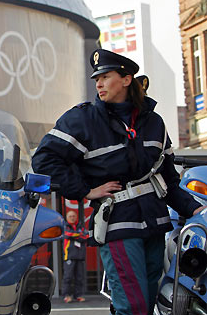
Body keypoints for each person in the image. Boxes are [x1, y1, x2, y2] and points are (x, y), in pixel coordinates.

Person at [32, 49, 205, 315]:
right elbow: (44, 159)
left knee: (148, 304)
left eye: (105, 77)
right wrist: (86, 191)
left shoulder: (155, 123)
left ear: (126, 79)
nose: (98, 84)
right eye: (96, 79)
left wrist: (197, 211)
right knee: (132, 307)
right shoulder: (82, 119)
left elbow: (169, 179)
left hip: (155, 224)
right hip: (117, 225)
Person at [62, 210, 88, 303]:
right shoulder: (65, 226)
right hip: (69, 256)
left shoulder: (80, 226)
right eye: (70, 216)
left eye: (74, 216)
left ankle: (79, 295)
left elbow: (85, 236)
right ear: (67, 218)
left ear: (76, 217)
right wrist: (78, 235)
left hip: (80, 256)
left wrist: (76, 235)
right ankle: (66, 295)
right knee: (68, 277)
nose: (72, 217)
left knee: (79, 277)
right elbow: (67, 234)